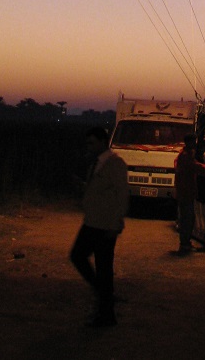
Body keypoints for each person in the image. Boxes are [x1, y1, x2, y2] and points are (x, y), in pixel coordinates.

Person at [69, 126, 130, 328]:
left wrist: (116, 222)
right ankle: (106, 306)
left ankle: (105, 307)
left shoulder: (115, 164)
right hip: (93, 221)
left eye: (92, 143)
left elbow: (122, 195)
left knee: (98, 266)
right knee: (90, 262)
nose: (89, 147)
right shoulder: (96, 164)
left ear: (103, 142)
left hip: (104, 225)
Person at [173, 132, 205, 254]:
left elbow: (197, 166)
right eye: (193, 141)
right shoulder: (185, 156)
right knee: (187, 219)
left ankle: (185, 242)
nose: (195, 144)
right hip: (186, 191)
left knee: (188, 218)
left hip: (185, 191)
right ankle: (184, 244)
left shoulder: (185, 155)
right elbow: (197, 168)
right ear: (189, 142)